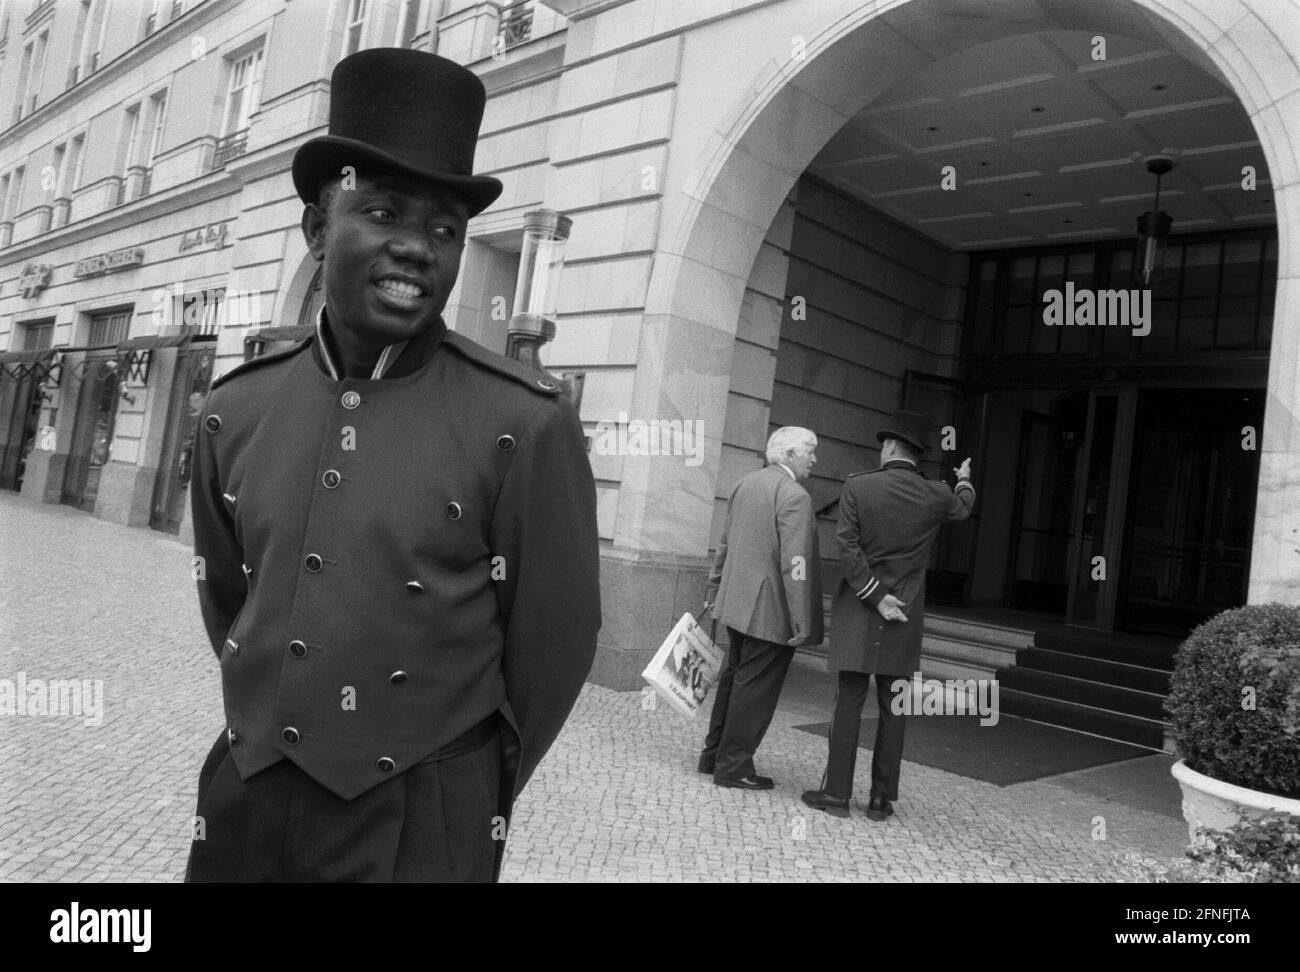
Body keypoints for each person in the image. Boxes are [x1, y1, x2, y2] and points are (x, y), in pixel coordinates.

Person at [185, 48, 601, 882]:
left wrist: (469, 789)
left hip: (424, 821)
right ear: (317, 229)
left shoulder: (524, 421)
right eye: (382, 212)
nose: (417, 248)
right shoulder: (236, 409)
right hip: (248, 798)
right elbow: (232, 595)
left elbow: (553, 646)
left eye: (444, 230)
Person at [802, 410, 974, 820]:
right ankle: (881, 799)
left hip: (862, 610)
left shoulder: (859, 487)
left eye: (884, 444)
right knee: (895, 706)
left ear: (891, 447)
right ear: (917, 453)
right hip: (905, 613)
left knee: (849, 702)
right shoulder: (936, 494)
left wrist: (873, 594)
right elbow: (964, 507)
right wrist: (964, 477)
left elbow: (847, 548)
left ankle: (837, 794)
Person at [698, 427, 823, 790]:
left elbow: (724, 544)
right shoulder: (795, 496)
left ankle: (713, 757)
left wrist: (713, 588)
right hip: (771, 613)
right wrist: (802, 620)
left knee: (733, 681)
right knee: (754, 692)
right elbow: (795, 564)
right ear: (788, 455)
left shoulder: (745, 483)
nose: (814, 460)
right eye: (809, 452)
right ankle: (733, 767)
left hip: (735, 604)